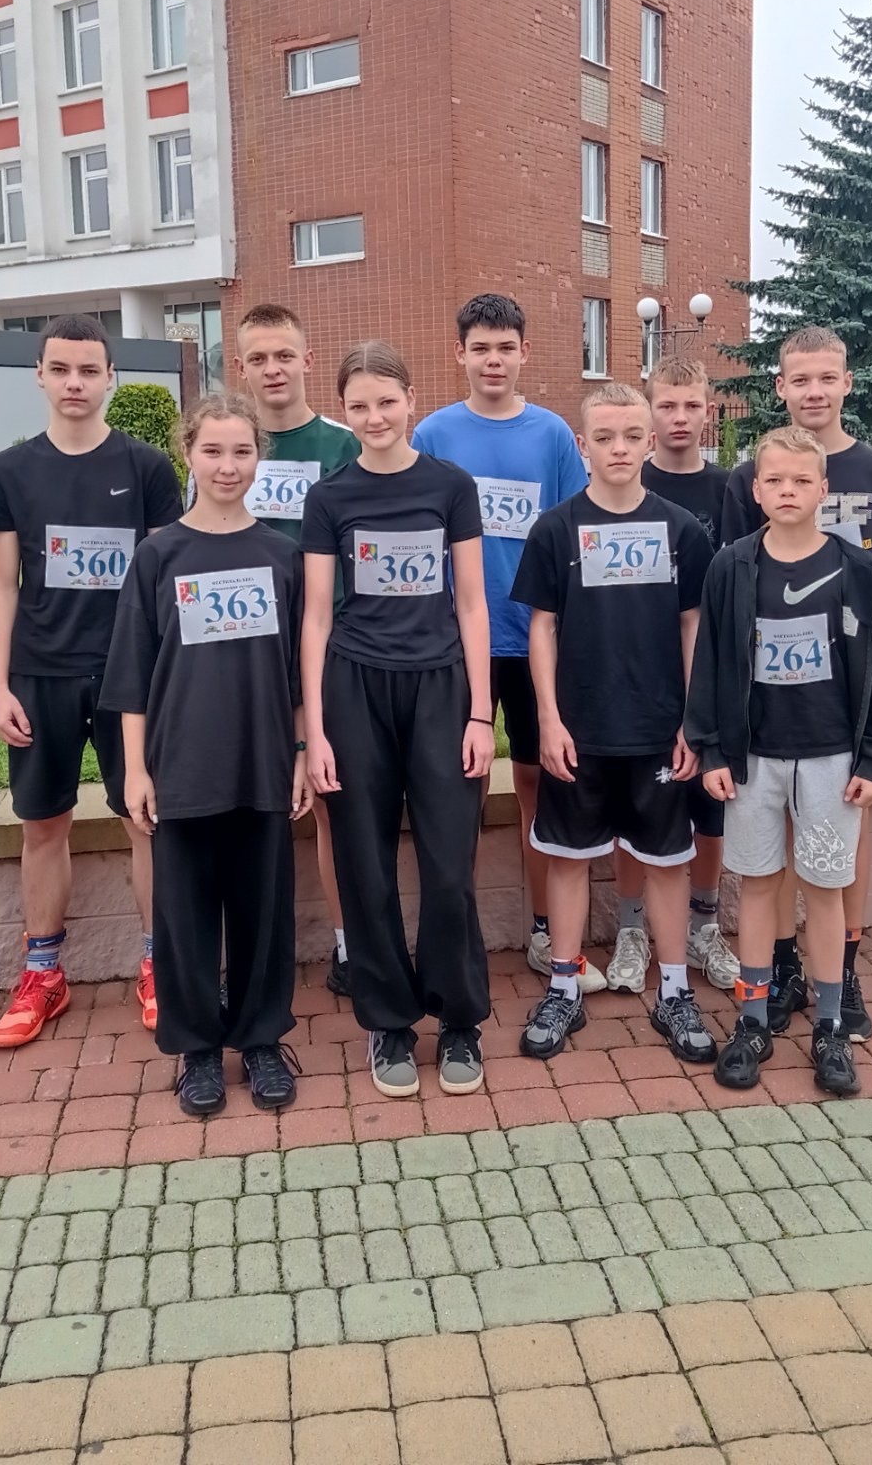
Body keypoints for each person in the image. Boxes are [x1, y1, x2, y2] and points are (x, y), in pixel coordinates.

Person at [100, 393, 308, 1117]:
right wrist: (136, 769)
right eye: (213, 451)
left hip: (263, 760)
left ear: (259, 459)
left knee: (263, 910)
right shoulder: (158, 555)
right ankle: (196, 1050)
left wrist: (301, 752)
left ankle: (260, 1038)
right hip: (181, 763)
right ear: (188, 453)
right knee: (184, 916)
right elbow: (132, 675)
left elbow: (297, 672)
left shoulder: (283, 556)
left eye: (242, 451)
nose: (227, 465)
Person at [690, 426, 872, 1097]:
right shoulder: (731, 567)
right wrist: (710, 747)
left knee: (824, 889)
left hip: (830, 757)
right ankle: (753, 1020)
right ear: (756, 491)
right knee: (759, 885)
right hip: (754, 758)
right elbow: (710, 663)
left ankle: (830, 1026)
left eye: (801, 481)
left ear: (823, 490)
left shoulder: (858, 570)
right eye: (775, 481)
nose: (788, 491)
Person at [0, 314, 183, 1046]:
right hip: (41, 674)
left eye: (89, 370)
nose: (75, 383)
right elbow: (1, 584)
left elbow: (164, 585)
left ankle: (160, 962)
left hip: (131, 679)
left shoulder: (148, 468)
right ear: (39, 375)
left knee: (146, 820)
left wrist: (165, 680)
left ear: (110, 379)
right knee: (43, 825)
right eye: (61, 369)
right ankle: (43, 973)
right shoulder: (10, 471)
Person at [301, 341, 493, 1099]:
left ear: (411, 400)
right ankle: (386, 1021)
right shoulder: (330, 497)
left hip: (442, 688)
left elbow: (472, 603)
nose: (375, 417)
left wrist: (479, 714)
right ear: (344, 412)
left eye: (386, 401)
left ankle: (459, 1017)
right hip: (355, 688)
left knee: (448, 868)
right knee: (365, 865)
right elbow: (317, 617)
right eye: (359, 406)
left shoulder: (451, 486)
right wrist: (316, 733)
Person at [511, 382, 715, 1066]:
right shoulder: (554, 528)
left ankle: (675, 992)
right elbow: (542, 627)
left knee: (667, 865)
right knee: (569, 858)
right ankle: (563, 986)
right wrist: (548, 718)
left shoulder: (682, 531)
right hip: (580, 730)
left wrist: (692, 720)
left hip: (659, 731)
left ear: (650, 442)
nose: (619, 449)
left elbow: (693, 627)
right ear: (583, 445)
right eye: (605, 438)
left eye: (632, 437)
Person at [722, 325, 872, 1042]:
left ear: (847, 383)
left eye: (827, 377)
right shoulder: (748, 481)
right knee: (766, 856)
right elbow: (732, 600)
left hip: (841, 708)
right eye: (799, 379)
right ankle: (778, 973)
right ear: (780, 387)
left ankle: (842, 976)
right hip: (766, 719)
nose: (814, 391)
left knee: (838, 853)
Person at [413, 294, 603, 992]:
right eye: (480, 348)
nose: (493, 360)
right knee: (453, 794)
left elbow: (574, 533)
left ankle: (545, 930)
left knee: (535, 788)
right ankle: (453, 936)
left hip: (533, 642)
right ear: (459, 354)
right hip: (457, 644)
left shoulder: (551, 435)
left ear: (525, 352)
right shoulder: (433, 434)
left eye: (505, 348)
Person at [232, 303, 360, 997]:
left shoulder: (342, 446)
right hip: (242, 651)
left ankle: (347, 945)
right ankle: (255, 957)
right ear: (241, 367)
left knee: (330, 800)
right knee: (249, 803)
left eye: (284, 355)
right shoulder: (229, 446)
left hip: (328, 649)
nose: (273, 369)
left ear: (308, 360)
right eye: (258, 358)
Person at [608, 356, 740, 997]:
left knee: (710, 808)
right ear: (649, 413)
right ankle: (631, 928)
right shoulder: (628, 480)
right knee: (637, 808)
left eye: (692, 406)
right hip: (637, 676)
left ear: (709, 411)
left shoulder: (730, 490)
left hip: (714, 670)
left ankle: (704, 925)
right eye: (667, 405)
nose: (680, 418)